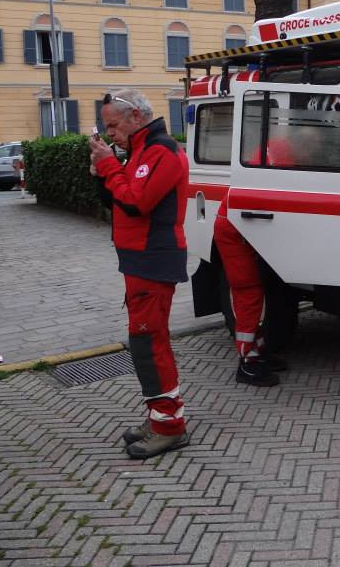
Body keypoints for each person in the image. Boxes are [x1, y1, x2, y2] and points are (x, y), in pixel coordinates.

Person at [89, 89, 190, 459]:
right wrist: (104, 173)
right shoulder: (141, 152)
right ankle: (161, 416)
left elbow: (136, 203)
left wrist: (108, 167)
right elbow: (118, 199)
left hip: (152, 260)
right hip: (139, 260)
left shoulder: (161, 151)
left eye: (114, 125)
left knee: (149, 343)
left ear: (135, 117)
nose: (110, 133)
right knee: (148, 343)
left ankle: (169, 427)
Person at [213, 192, 287, 386]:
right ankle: (247, 363)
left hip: (236, 226)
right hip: (234, 231)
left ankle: (258, 353)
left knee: (252, 293)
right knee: (248, 294)